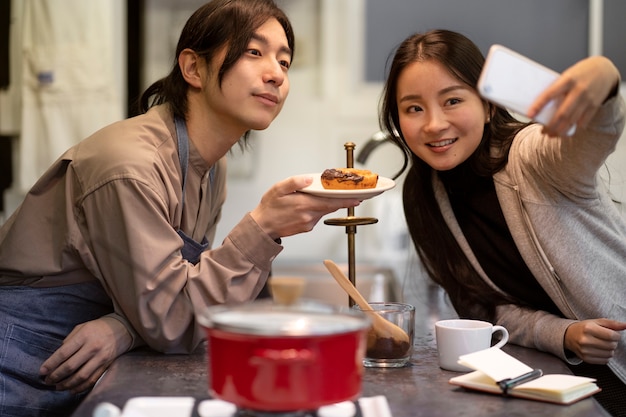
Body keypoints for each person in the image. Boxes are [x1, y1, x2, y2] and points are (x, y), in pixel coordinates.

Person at [0, 1, 362, 415]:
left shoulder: (211, 168)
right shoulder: (129, 166)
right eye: (254, 52)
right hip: (15, 361)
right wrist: (262, 227)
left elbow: (175, 295)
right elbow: (171, 320)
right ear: (193, 68)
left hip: (78, 371)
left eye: (285, 60)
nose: (276, 73)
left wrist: (123, 327)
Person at [380, 29, 626, 416]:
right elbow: (482, 308)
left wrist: (604, 77)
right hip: (561, 382)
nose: (433, 124)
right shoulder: (424, 193)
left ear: (489, 105)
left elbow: (595, 133)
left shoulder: (532, 157)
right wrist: (563, 334)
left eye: (453, 100)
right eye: (414, 108)